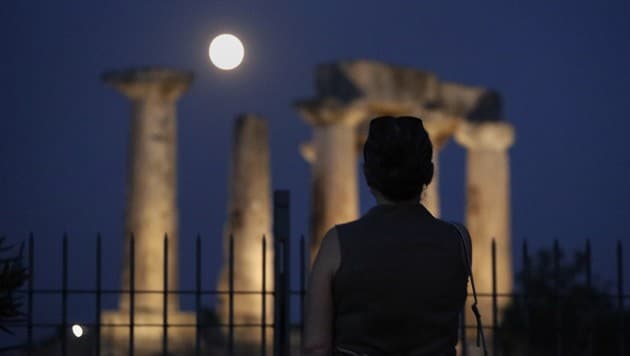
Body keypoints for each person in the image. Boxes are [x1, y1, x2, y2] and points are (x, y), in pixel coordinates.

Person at [303, 116, 470, 356]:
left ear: (368, 176)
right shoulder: (458, 240)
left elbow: (316, 346)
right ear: (429, 174)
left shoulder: (336, 244)